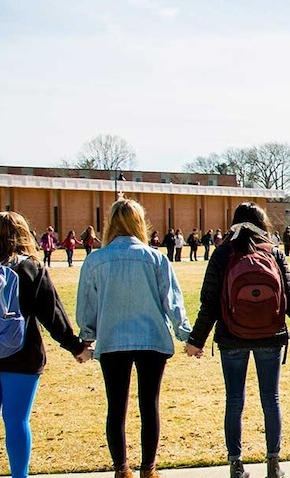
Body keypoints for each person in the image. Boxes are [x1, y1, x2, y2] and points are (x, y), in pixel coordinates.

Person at [186, 203, 290, 478]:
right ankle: (273, 464)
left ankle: (236, 463)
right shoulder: (273, 252)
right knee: (270, 399)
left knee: (234, 400)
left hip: (231, 336)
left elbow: (210, 304)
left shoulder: (223, 253)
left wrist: (196, 340)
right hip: (270, 336)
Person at [77, 199, 192, 478]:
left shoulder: (96, 260)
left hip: (113, 338)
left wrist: (86, 337)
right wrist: (185, 334)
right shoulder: (155, 258)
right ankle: (148, 468)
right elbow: (172, 301)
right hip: (151, 338)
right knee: (149, 404)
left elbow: (87, 305)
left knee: (116, 406)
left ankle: (121, 468)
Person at [0, 212, 91, 478]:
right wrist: (77, 347)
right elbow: (53, 315)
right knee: (17, 421)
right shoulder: (31, 268)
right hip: (23, 353)